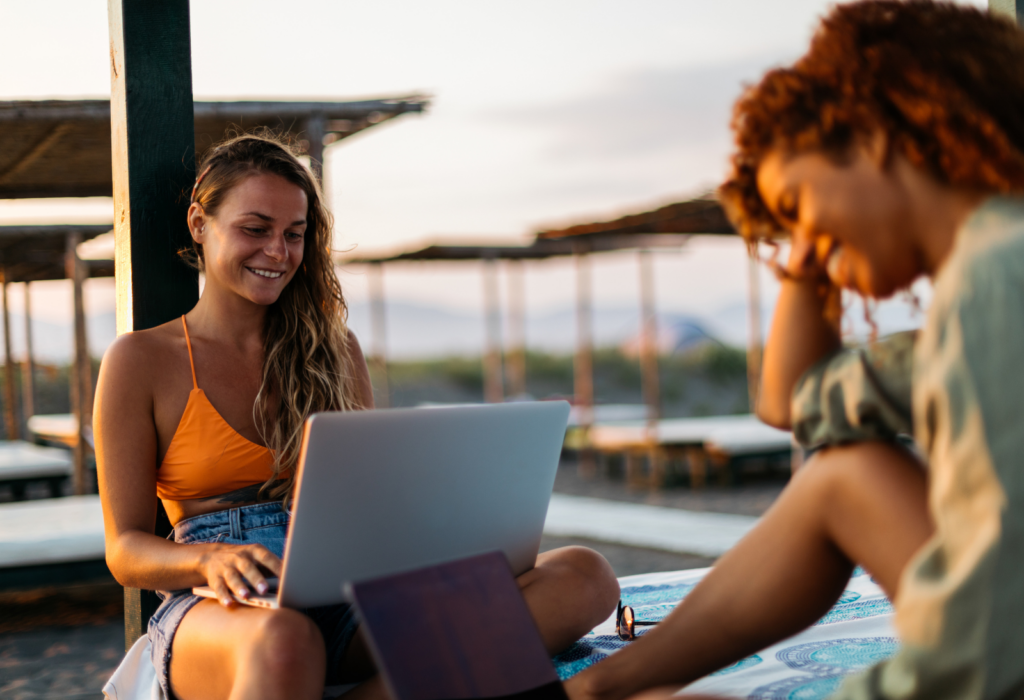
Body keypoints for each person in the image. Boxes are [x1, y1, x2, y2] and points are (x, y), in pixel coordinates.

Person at [564, 2, 1024, 698]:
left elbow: (995, 642)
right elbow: (801, 405)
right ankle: (589, 690)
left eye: (801, 210)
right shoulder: (985, 276)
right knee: (845, 475)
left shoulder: (996, 279)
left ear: (870, 136)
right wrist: (811, 259)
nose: (806, 255)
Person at [95, 134, 620, 700]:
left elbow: (371, 501)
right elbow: (125, 550)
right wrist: (209, 558)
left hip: (348, 591)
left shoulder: (334, 350)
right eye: (255, 228)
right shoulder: (141, 360)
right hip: (216, 604)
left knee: (584, 576)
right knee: (285, 639)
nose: (278, 252)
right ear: (200, 222)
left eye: (294, 235)